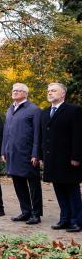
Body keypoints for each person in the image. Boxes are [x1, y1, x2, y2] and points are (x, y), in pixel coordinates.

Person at [39, 82, 82, 232]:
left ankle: (76, 221)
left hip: (68, 159)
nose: (49, 93)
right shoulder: (44, 112)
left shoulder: (73, 110)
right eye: (48, 90)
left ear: (62, 94)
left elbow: (78, 136)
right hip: (52, 159)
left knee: (72, 190)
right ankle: (64, 219)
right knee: (58, 189)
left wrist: (76, 157)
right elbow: (43, 137)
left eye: (53, 90)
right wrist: (40, 156)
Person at [1, 83, 42, 224]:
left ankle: (36, 214)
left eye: (19, 90)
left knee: (34, 185)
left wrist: (36, 154)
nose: (15, 92)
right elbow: (6, 132)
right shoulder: (10, 109)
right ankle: (25, 211)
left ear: (26, 93)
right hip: (12, 153)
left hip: (28, 154)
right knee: (18, 183)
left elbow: (38, 134)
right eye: (14, 90)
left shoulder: (34, 109)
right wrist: (3, 150)